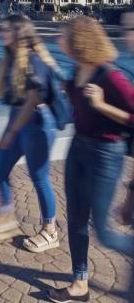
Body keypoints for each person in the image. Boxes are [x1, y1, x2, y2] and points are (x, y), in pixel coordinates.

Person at [49, 16, 134, 303]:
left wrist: (102, 105)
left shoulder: (110, 76)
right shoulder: (75, 73)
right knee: (75, 219)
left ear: (79, 41)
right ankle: (79, 283)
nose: (59, 38)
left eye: (64, 35)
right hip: (78, 149)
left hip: (105, 155)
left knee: (104, 231)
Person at [0, 15, 60, 252]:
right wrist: (10, 129)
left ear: (20, 33)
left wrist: (11, 132)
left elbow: (32, 101)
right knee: (0, 169)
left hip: (38, 125)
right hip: (18, 122)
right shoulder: (12, 59)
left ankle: (51, 231)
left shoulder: (34, 60)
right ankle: (7, 220)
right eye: (2, 30)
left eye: (7, 31)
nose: (2, 34)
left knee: (39, 178)